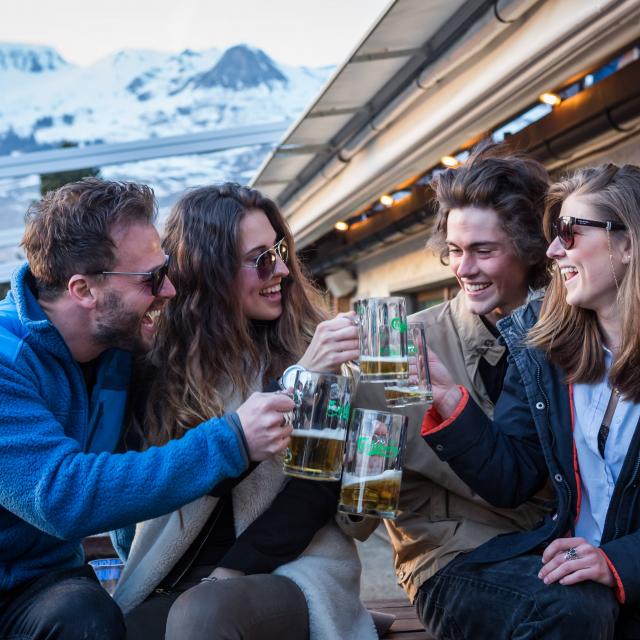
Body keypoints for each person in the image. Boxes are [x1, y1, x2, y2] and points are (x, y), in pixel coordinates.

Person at [0, 179, 294, 640]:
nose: (171, 289)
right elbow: (64, 497)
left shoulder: (121, 349)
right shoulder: (6, 361)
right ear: (84, 290)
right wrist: (233, 439)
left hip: (46, 585)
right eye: (152, 279)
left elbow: (210, 316)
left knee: (88, 616)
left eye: (168, 269)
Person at [116, 183, 376, 640]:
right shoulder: (158, 364)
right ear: (208, 270)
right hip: (174, 573)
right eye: (259, 259)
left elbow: (314, 493)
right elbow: (176, 478)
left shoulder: (314, 348)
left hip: (292, 570)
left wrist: (231, 572)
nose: (280, 269)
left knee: (205, 614)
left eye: (279, 250)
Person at [421, 163, 639, 639]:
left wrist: (617, 562)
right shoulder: (544, 340)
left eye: (569, 232)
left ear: (628, 243)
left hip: (616, 572)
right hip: (574, 571)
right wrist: (450, 402)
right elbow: (512, 476)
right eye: (553, 232)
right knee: (577, 611)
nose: (554, 248)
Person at [348, 146, 554, 622]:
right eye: (456, 251)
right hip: (448, 557)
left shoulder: (567, 335)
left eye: (484, 250)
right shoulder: (400, 343)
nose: (463, 269)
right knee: (559, 611)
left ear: (528, 250)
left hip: (550, 543)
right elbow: (362, 498)